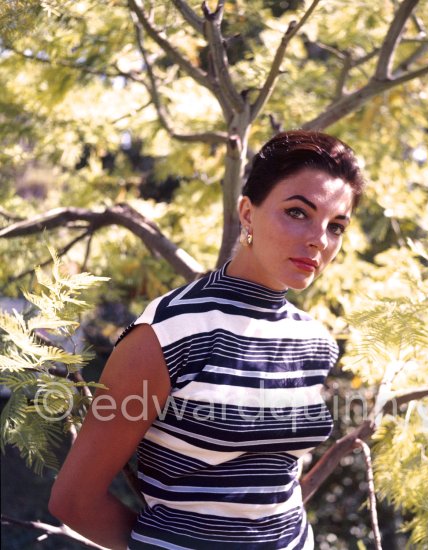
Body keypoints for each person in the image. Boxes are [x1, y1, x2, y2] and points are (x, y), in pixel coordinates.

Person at [49, 129, 365, 549]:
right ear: (248, 214)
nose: (318, 240)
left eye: (336, 226)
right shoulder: (167, 334)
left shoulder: (315, 342)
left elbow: (273, 487)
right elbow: (74, 501)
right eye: (297, 212)